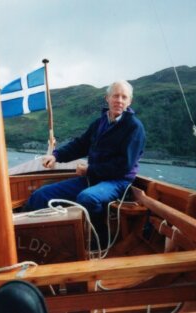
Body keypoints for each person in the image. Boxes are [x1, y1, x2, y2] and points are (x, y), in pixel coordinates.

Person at [25, 80, 146, 242]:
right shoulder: (100, 123)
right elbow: (81, 145)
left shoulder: (134, 127)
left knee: (88, 198)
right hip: (93, 178)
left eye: (124, 97)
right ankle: (31, 235)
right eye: (116, 96)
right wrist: (56, 155)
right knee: (41, 194)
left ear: (129, 101)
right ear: (107, 98)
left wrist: (89, 170)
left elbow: (123, 166)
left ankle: (100, 238)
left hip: (117, 182)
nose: (119, 100)